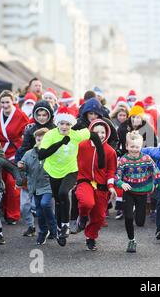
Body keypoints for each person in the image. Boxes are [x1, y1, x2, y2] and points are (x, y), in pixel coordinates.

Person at [38, 106, 103, 247]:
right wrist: (60, 143)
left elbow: (95, 136)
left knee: (63, 193)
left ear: (71, 125)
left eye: (68, 124)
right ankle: (61, 229)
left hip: (71, 170)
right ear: (57, 123)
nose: (64, 126)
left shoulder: (76, 134)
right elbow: (41, 155)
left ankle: (66, 225)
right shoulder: (50, 135)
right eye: (62, 123)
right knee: (58, 201)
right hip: (53, 171)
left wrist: (101, 156)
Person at [115, 131, 160, 253]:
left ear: (141, 146)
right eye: (132, 146)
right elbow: (116, 176)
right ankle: (131, 240)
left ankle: (137, 213)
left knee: (140, 221)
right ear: (127, 146)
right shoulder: (123, 160)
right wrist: (121, 183)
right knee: (128, 217)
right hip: (128, 191)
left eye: (137, 147)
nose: (134, 149)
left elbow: (157, 174)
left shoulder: (146, 159)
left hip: (143, 192)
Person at [14, 100, 56, 237]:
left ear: (50, 115)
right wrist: (19, 167)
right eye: (39, 114)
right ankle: (31, 226)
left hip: (48, 172)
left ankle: (50, 228)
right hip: (31, 171)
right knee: (25, 205)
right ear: (35, 115)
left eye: (45, 114)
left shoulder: (55, 130)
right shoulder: (30, 130)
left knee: (47, 204)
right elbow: (23, 149)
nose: (42, 117)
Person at [75, 119, 117, 251]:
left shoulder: (110, 151)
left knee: (99, 217)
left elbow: (111, 171)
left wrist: (111, 187)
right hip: (84, 181)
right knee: (87, 203)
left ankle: (91, 237)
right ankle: (82, 217)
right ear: (90, 131)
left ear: (107, 133)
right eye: (96, 131)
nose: (100, 134)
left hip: (101, 187)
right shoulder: (81, 146)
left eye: (103, 132)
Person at [0, 90, 30, 225]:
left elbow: (27, 134)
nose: (5, 105)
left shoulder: (21, 115)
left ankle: (12, 215)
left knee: (11, 182)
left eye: (7, 102)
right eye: (2, 102)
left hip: (15, 152)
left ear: (13, 101)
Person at [18, 128, 58, 245]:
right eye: (38, 139)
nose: (40, 142)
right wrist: (21, 166)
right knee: (39, 212)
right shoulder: (29, 154)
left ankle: (53, 226)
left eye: (44, 139)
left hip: (49, 185)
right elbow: (24, 167)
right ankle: (43, 231)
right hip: (35, 186)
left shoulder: (53, 152)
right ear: (35, 140)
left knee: (45, 203)